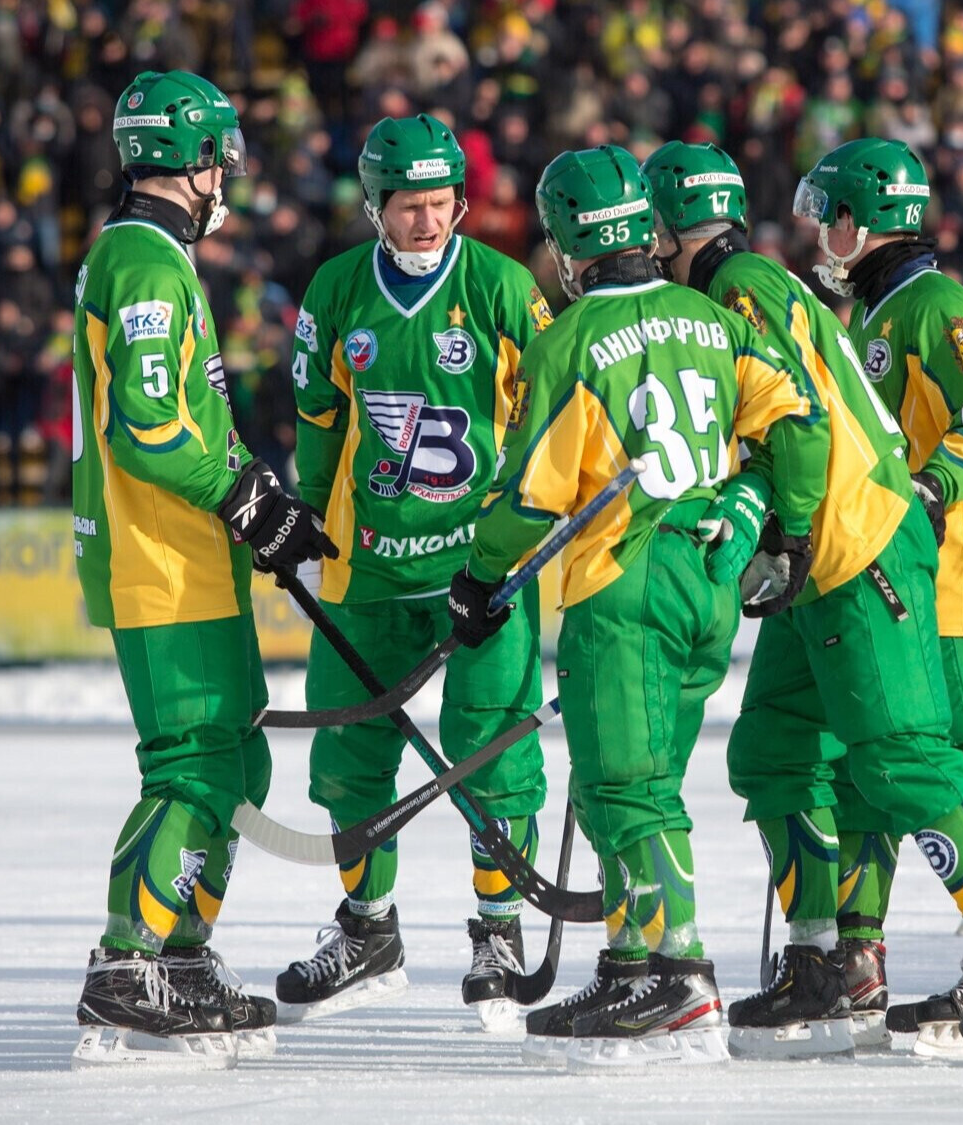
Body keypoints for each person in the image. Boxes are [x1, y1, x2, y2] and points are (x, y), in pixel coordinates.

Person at [645, 140, 963, 1067]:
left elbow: (844, 418)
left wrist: (815, 522)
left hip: (864, 546)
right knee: (771, 752)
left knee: (904, 761)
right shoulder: (823, 299)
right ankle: (825, 961)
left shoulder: (787, 291)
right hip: (819, 556)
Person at [449, 144, 828, 1070]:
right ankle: (629, 958)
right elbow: (799, 420)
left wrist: (478, 577)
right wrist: (779, 525)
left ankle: (674, 971)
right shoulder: (709, 316)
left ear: (569, 245)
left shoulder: (567, 342)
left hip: (624, 580)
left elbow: (532, 494)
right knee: (638, 771)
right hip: (704, 577)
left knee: (627, 784)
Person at [69, 70, 337, 1069]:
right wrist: (240, 499)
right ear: (187, 162)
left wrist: (255, 498)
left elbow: (185, 419)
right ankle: (125, 966)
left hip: (188, 553)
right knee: (193, 761)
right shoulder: (142, 262)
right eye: (215, 154)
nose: (223, 172)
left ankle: (179, 960)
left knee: (237, 759)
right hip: (160, 557)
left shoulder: (156, 257)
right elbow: (146, 430)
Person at [274, 114, 557, 1032]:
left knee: (495, 750)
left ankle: (499, 928)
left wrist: (521, 535)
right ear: (375, 208)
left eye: (441, 204)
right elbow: (318, 412)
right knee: (350, 760)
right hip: (369, 569)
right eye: (410, 207)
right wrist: (308, 515)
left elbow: (554, 416)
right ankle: (367, 929)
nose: (428, 222)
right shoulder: (336, 289)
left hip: (483, 569)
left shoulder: (505, 288)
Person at [793, 138, 963, 1061]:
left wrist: (928, 493)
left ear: (857, 220)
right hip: (906, 582)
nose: (820, 236)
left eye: (825, 215)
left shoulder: (936, 305)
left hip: (960, 583)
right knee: (878, 764)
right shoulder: (877, 312)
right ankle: (866, 957)